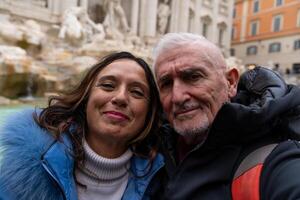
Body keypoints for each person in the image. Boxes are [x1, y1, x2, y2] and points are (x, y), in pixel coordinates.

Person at [153, 32, 300, 199]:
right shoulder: (150, 146)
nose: (177, 97)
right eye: (166, 83)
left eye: (194, 77)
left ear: (231, 83)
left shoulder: (276, 158)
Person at [0, 52, 164, 200]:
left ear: (150, 113)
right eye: (107, 85)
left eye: (136, 92)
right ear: (86, 97)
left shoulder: (163, 179)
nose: (120, 98)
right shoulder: (25, 167)